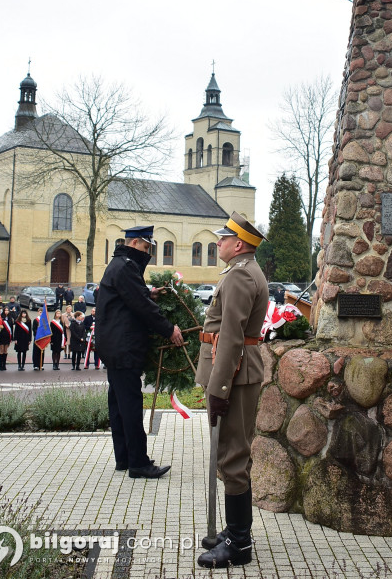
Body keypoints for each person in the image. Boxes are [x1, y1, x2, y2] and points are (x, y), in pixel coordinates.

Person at [196, 211, 268, 570]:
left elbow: (231, 337)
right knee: (232, 453)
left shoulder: (241, 276)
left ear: (237, 244)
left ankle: (239, 544)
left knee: (233, 457)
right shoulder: (240, 272)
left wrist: (218, 387)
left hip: (235, 376)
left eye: (223, 238)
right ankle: (236, 530)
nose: (218, 243)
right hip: (238, 374)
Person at [96, 225, 184, 479]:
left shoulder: (119, 264)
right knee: (131, 406)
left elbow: (132, 297)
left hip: (114, 346)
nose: (148, 253)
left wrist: (148, 292)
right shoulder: (125, 267)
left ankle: (124, 457)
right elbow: (141, 307)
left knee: (119, 405)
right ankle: (138, 463)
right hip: (123, 348)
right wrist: (169, 329)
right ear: (134, 243)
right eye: (146, 248)